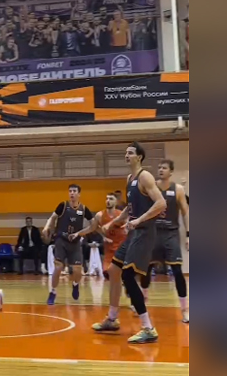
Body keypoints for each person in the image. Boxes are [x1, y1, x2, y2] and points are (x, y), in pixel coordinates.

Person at [92, 142, 167, 344]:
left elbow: (161, 203)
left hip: (145, 232)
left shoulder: (145, 176)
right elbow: (129, 209)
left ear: (139, 157)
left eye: (131, 152)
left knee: (127, 275)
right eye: (125, 152)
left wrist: (139, 220)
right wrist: (114, 223)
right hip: (133, 233)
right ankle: (112, 318)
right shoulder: (129, 179)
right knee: (114, 271)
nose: (127, 155)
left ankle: (148, 328)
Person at [140, 159, 190, 323]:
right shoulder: (151, 187)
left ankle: (185, 310)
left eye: (164, 168)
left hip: (170, 234)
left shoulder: (178, 189)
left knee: (177, 271)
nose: (161, 170)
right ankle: (143, 300)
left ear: (171, 172)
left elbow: (185, 213)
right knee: (146, 269)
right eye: (159, 167)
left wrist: (188, 235)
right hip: (153, 233)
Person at [42, 184, 103, 305]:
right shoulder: (63, 205)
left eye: (74, 191)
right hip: (61, 240)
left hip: (75, 242)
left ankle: (75, 284)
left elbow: (93, 225)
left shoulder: (84, 209)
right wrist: (46, 228)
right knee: (58, 267)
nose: (72, 193)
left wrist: (80, 233)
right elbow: (52, 217)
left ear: (79, 194)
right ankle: (52, 292)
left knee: (77, 270)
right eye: (70, 191)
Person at [97, 193, 126, 281]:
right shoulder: (100, 215)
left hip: (120, 249)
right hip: (109, 251)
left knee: (120, 274)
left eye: (111, 199)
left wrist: (126, 230)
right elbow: (94, 227)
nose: (108, 201)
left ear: (116, 202)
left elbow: (128, 225)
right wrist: (103, 236)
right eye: (107, 199)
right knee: (108, 274)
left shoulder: (121, 215)